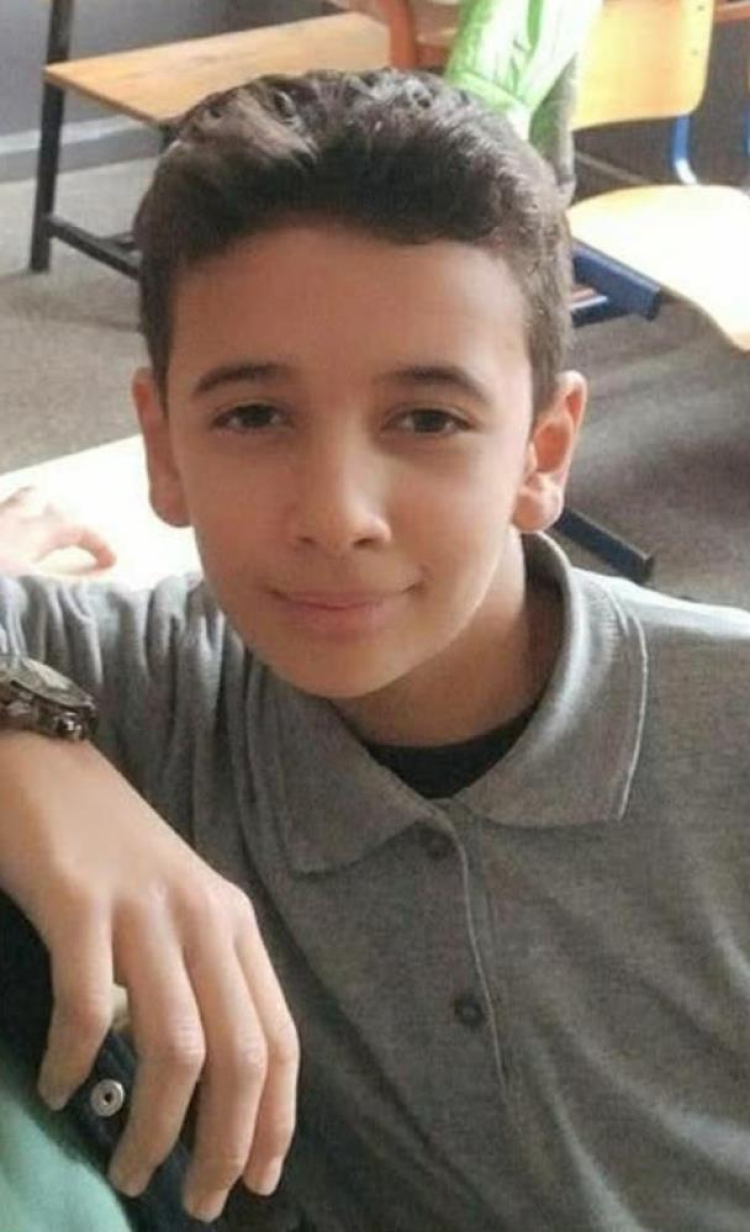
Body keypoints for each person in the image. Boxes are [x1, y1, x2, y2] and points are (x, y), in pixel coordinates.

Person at [0, 67, 749, 1232]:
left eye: (428, 418)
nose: (337, 512)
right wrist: (31, 746)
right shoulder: (153, 679)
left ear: (544, 450)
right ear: (165, 446)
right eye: (254, 415)